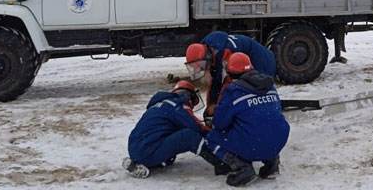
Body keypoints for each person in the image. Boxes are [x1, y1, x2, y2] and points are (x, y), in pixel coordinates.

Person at [205, 52, 290, 187]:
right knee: (267, 128)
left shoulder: (233, 92)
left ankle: (243, 168)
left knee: (212, 138)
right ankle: (272, 164)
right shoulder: (270, 86)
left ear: (230, 73)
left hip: (254, 144)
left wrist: (216, 113)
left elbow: (220, 124)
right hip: (278, 141)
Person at [122, 80, 229, 179]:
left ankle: (143, 163)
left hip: (136, 147)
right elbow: (196, 127)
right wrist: (216, 136)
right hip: (147, 150)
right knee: (188, 136)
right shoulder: (177, 104)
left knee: (170, 155)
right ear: (188, 96)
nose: (191, 106)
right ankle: (223, 163)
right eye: (192, 102)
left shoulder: (160, 104)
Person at [185, 31, 276, 110]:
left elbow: (229, 85)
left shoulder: (226, 53)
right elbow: (215, 83)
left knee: (256, 89)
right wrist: (210, 105)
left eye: (200, 66)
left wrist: (220, 109)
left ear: (207, 57)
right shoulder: (212, 53)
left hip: (262, 61)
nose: (201, 69)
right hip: (254, 56)